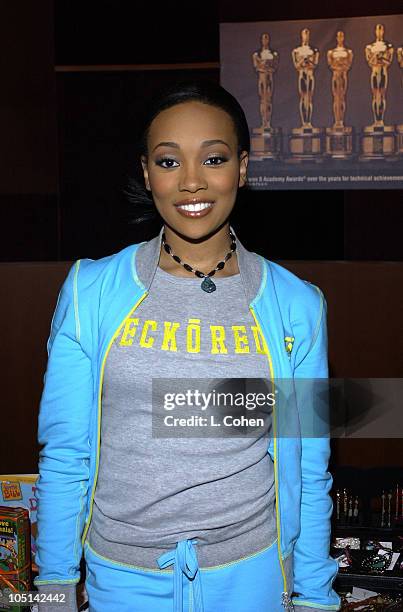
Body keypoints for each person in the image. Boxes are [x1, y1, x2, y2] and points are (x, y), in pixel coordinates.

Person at [33, 80, 341, 612]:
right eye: (170, 162)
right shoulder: (90, 291)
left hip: (254, 580)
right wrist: (55, 590)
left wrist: (314, 596)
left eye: (214, 158)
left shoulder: (298, 305)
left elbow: (309, 465)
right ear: (147, 172)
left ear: (242, 168)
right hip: (122, 580)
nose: (192, 182)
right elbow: (66, 454)